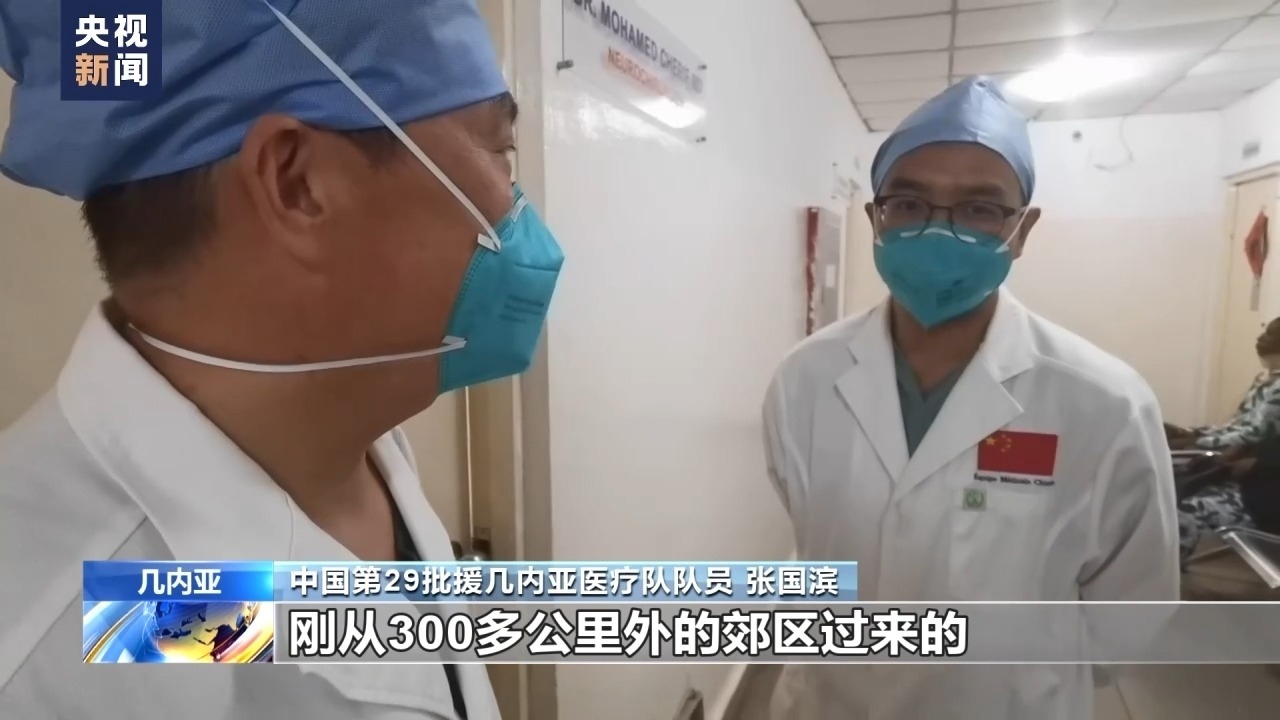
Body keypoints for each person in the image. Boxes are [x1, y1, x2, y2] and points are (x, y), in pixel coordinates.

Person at [0, 2, 562, 719]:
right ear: (299, 184)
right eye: (499, 150)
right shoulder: (43, 654)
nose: (517, 207)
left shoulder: (353, 435)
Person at [761, 76, 1179, 720]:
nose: (939, 230)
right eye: (909, 203)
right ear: (876, 218)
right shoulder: (806, 378)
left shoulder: (1104, 403)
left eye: (980, 209)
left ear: (1023, 230)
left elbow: (1130, 609)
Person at [1176, 318, 1280, 559]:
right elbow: (1243, 427)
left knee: (1184, 509)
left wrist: (1201, 441)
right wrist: (1199, 436)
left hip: (1265, 494)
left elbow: (1254, 434)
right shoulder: (1267, 381)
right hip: (1256, 480)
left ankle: (1160, 575)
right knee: (1176, 489)